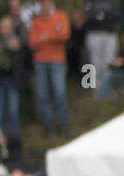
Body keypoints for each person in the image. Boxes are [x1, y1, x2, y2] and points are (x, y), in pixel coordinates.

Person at [29, 0, 71, 138]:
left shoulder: (60, 16)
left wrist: (45, 37)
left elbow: (64, 35)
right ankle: (49, 126)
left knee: (60, 93)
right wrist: (52, 36)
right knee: (43, 95)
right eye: (43, 3)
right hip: (40, 62)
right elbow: (32, 42)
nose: (45, 5)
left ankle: (63, 124)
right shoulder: (36, 21)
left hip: (57, 61)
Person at [0, 16, 26, 149]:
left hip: (13, 80)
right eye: (3, 28)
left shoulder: (17, 41)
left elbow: (23, 61)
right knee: (0, 111)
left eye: (7, 27)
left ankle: (15, 141)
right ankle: (1, 142)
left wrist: (16, 51)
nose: (5, 30)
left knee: (13, 111)